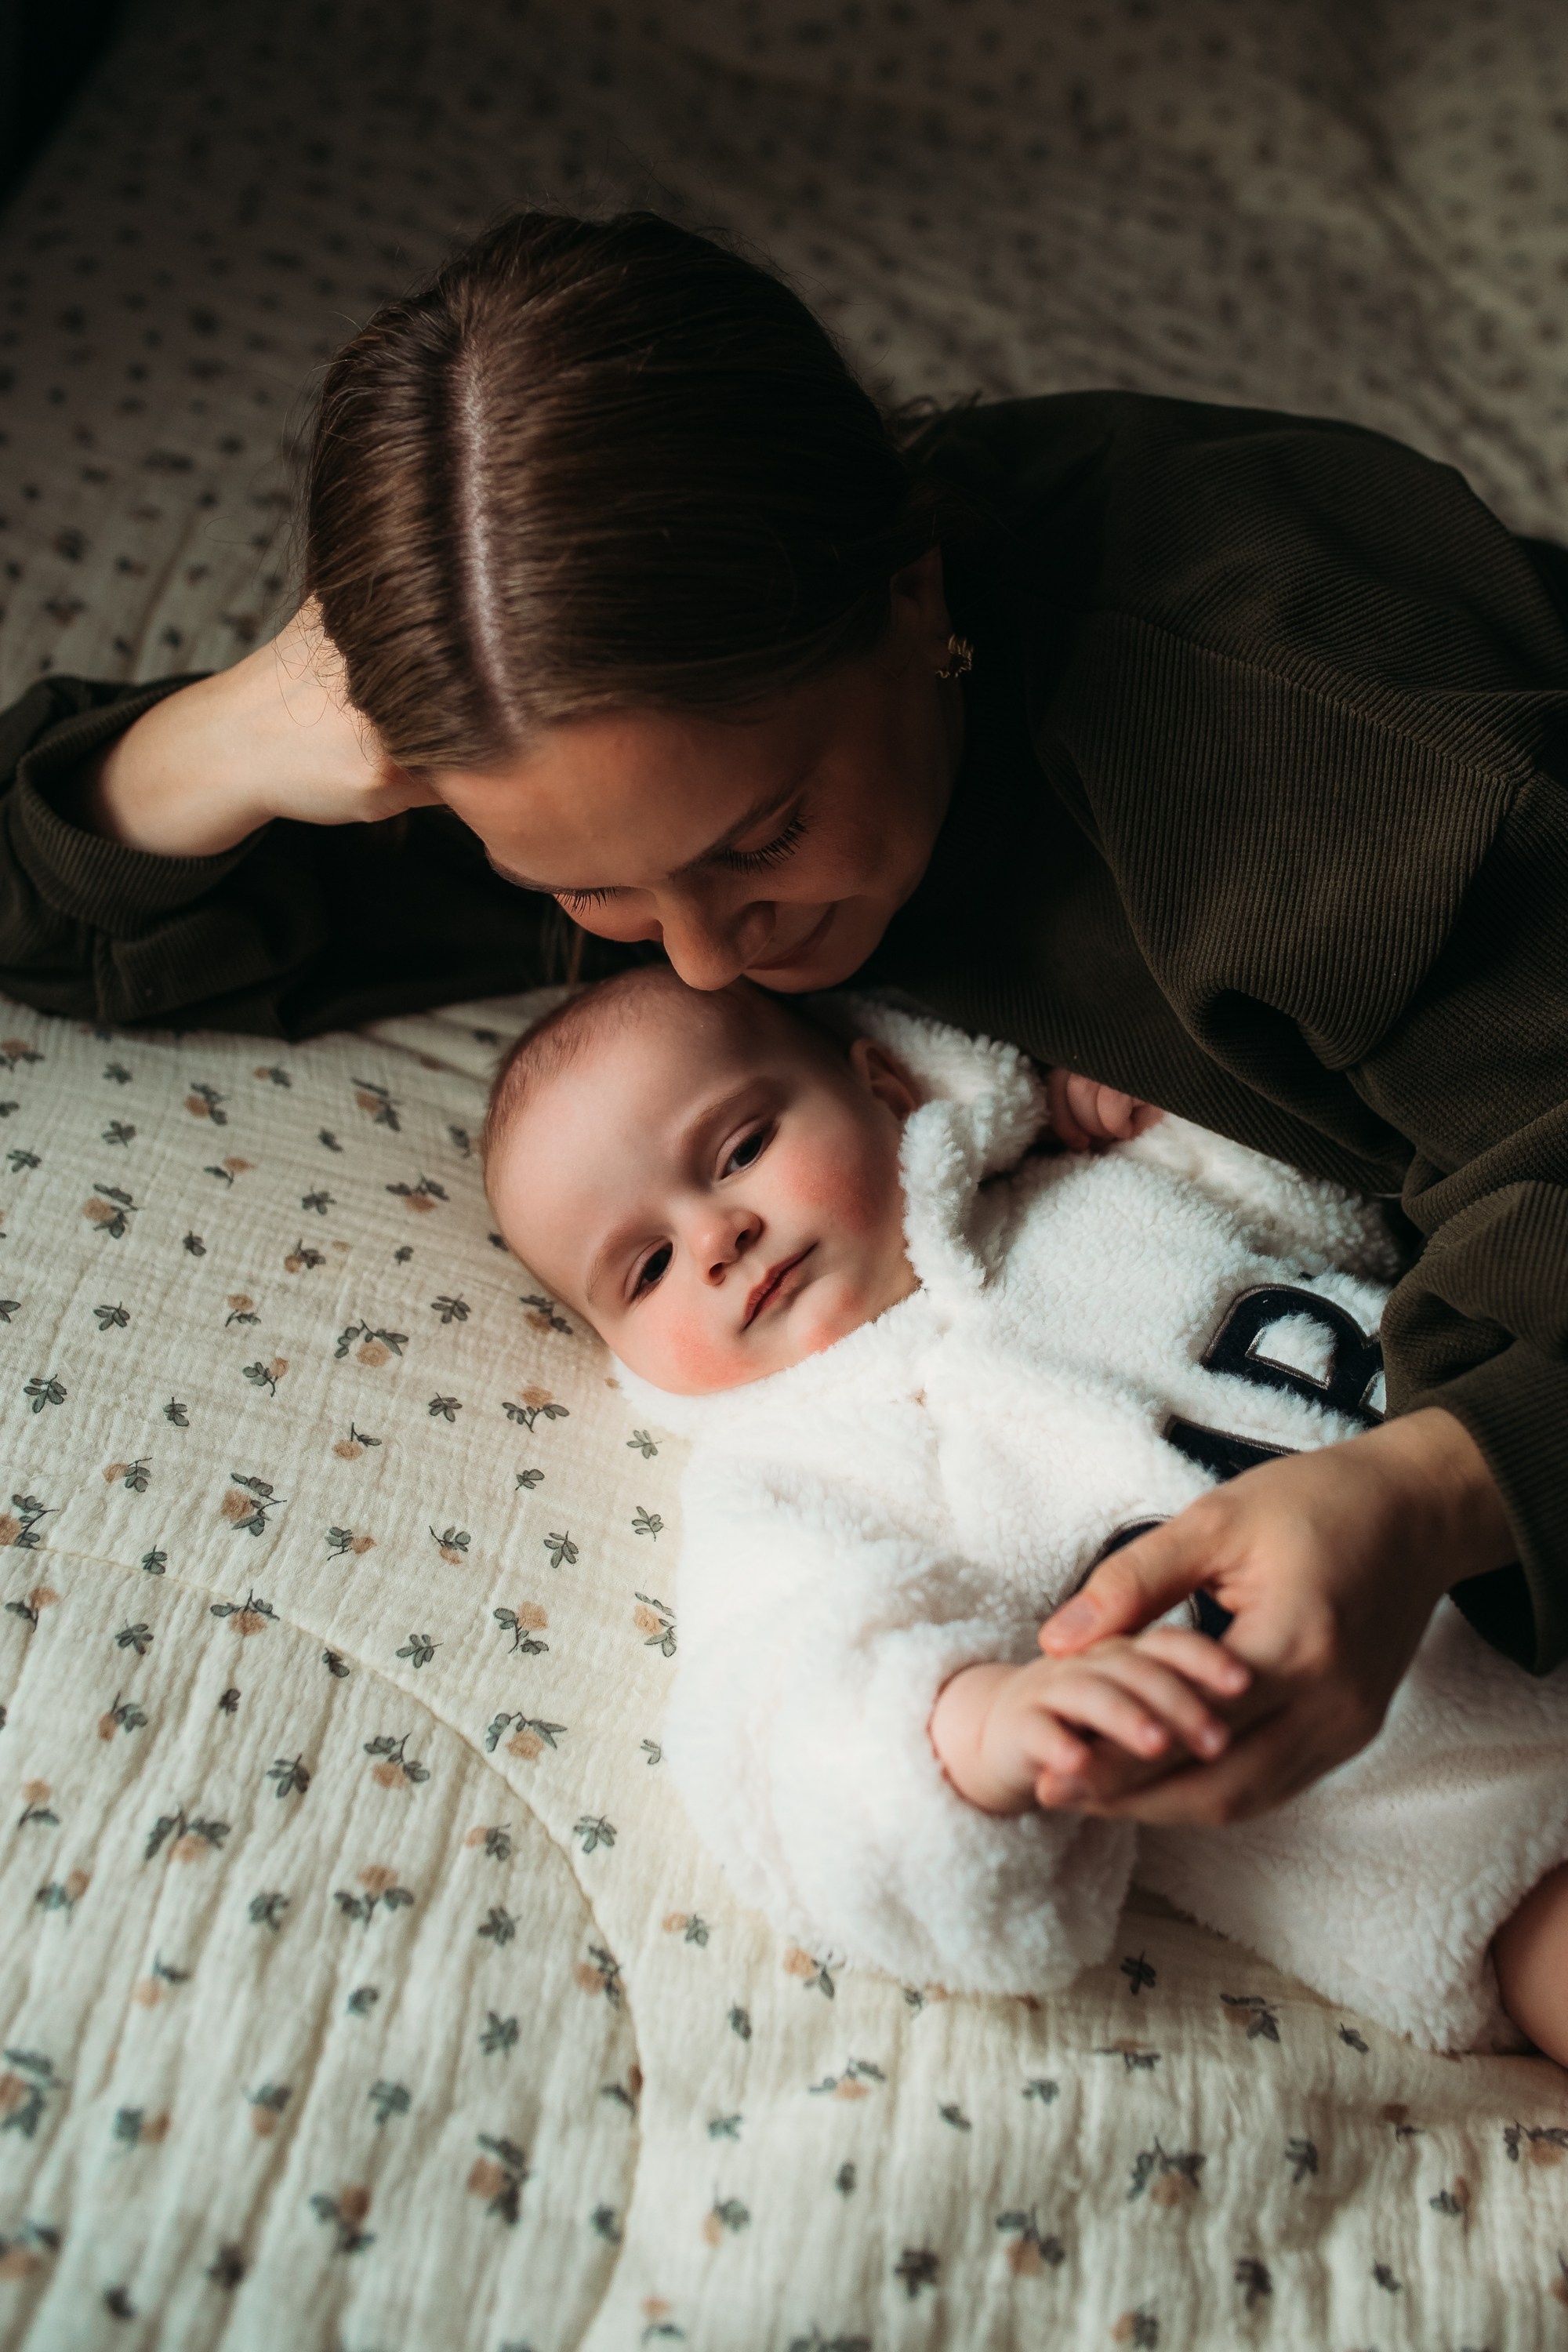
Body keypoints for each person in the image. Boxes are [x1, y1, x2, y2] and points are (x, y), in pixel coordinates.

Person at [0, 208, 1558, 1836]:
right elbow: (54, 904)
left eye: (756, 842)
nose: (698, 956)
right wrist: (242, 735)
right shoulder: (596, 754)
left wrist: (1431, 1485)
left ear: (913, 596)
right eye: (588, 893)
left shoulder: (1300, 752)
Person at [479, 964, 1568, 2059]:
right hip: (1449, 1819)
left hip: (1528, 1499)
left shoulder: (1104, 1188)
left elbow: (1346, 1201)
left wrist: (1169, 1087)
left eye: (740, 1150)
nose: (716, 1237)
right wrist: (968, 1727)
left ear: (887, 1087)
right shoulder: (784, 1473)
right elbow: (781, 1701)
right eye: (649, 1265)